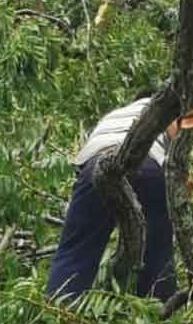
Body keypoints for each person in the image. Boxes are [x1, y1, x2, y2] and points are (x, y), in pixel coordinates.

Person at [46, 96, 179, 301]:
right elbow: (177, 156)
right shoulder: (164, 109)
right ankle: (158, 315)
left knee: (76, 250)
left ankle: (58, 312)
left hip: (96, 165)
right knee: (158, 251)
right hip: (148, 166)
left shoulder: (112, 116)